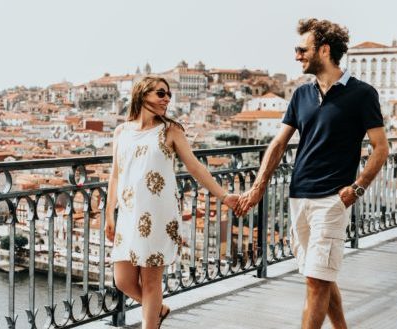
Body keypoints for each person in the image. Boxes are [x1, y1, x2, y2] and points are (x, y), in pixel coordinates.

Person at [234, 18, 389, 329]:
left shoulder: (362, 94)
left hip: (332, 200)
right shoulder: (301, 95)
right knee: (320, 277)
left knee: (316, 283)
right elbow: (278, 144)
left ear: (324, 50)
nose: (296, 55)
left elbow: (381, 148)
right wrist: (257, 187)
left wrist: (357, 189)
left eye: (301, 49)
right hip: (298, 197)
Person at [105, 75, 239, 328]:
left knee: (152, 281)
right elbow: (115, 174)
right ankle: (158, 309)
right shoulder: (121, 132)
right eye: (161, 93)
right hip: (129, 215)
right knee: (122, 280)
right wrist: (110, 214)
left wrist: (223, 195)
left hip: (158, 215)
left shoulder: (171, 130)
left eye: (168, 95)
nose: (167, 99)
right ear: (142, 94)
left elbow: (195, 167)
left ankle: (151, 321)